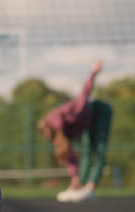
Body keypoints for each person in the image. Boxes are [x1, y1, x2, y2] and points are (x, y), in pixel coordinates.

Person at [38, 60, 113, 202]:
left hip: (99, 111)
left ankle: (90, 188)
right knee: (85, 152)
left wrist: (93, 73)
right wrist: (74, 177)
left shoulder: (70, 114)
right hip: (87, 123)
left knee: (98, 151)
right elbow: (68, 155)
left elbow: (85, 94)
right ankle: (79, 185)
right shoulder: (60, 134)